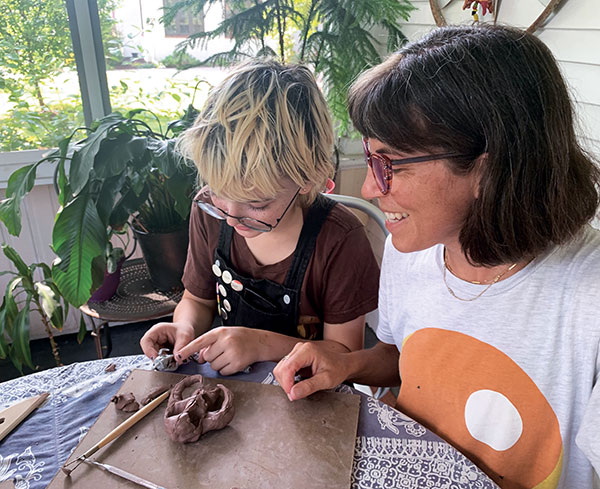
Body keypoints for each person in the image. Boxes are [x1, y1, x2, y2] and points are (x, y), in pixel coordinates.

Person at [274, 24, 600, 489]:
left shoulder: (589, 298)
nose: (369, 189)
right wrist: (348, 363)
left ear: (489, 169)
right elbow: (404, 356)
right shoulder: (412, 247)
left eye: (389, 165)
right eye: (369, 159)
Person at [140, 59, 379, 376]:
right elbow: (197, 300)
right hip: (235, 390)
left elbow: (345, 353)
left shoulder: (339, 240)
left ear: (307, 179)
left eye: (256, 204)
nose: (231, 218)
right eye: (219, 192)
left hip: (311, 398)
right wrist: (184, 328)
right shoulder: (209, 213)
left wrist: (261, 345)